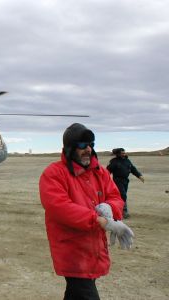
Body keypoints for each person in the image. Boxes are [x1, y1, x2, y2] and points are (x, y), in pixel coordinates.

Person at [39, 123, 134, 300]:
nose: (88, 149)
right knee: (85, 293)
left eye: (90, 144)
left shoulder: (100, 173)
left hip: (94, 249)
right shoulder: (54, 173)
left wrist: (110, 210)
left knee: (76, 294)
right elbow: (58, 207)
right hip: (73, 252)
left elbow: (116, 196)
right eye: (82, 145)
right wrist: (99, 220)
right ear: (69, 148)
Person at [107, 148, 144, 219]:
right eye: (122, 153)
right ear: (118, 154)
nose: (124, 154)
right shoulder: (114, 161)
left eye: (124, 153)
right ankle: (124, 211)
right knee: (123, 195)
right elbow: (107, 171)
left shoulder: (127, 161)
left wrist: (139, 176)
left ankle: (118, 209)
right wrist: (105, 180)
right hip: (117, 180)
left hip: (125, 181)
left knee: (122, 195)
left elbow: (133, 169)